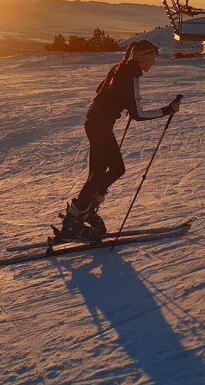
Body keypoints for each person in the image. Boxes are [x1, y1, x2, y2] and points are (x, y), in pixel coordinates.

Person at [57, 39, 181, 241]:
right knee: (103, 173)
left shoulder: (120, 69)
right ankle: (74, 221)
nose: (153, 63)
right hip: (99, 126)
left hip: (97, 124)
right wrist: (168, 110)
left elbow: (101, 91)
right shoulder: (129, 76)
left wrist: (115, 105)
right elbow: (138, 114)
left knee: (108, 171)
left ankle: (84, 210)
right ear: (143, 58)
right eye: (152, 59)